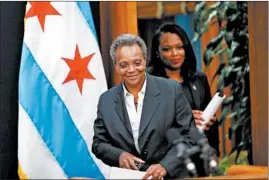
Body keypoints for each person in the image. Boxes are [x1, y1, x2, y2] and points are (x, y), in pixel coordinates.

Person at [92, 34, 201, 179]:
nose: (131, 70)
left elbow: (190, 136)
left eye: (137, 63)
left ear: (145, 61)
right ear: (116, 67)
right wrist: (119, 156)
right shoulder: (106, 100)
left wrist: (165, 165)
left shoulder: (171, 90)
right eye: (124, 65)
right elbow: (99, 143)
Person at [147, 23, 220, 174]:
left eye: (179, 47)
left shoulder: (198, 78)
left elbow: (210, 119)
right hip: (165, 163)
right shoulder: (148, 81)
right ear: (157, 52)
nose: (175, 54)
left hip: (199, 159)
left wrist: (214, 151)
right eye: (167, 49)